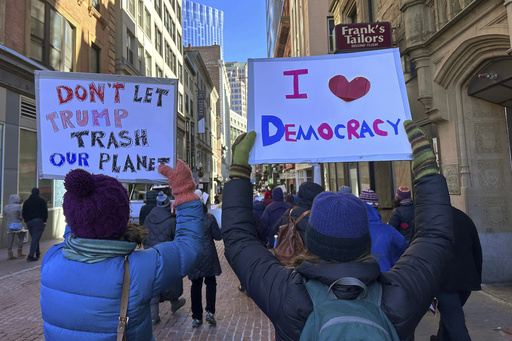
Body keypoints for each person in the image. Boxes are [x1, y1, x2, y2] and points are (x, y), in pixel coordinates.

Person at [221, 121, 454, 341]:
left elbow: (238, 240)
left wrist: (239, 173)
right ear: (365, 242)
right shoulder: (398, 296)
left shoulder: (289, 296)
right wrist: (427, 169)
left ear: (311, 241)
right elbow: (434, 238)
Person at [40, 160, 204, 340]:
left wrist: (80, 209)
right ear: (123, 216)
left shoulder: (52, 259)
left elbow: (76, 228)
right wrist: (185, 191)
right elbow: (190, 247)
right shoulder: (141, 269)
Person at [430, 207, 483, 341]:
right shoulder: (464, 218)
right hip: (466, 281)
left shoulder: (427, 219)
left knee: (455, 323)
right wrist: (476, 277)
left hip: (444, 281)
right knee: (451, 316)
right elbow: (477, 250)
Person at [143, 191, 186, 326]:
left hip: (149, 253)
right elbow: (177, 238)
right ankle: (174, 302)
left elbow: (143, 233)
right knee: (171, 279)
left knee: (153, 282)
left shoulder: (148, 217)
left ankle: (154, 316)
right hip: (166, 254)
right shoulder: (172, 221)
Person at [188, 203, 222, 328]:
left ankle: (196, 317)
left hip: (195, 254)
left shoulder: (190, 220)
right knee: (211, 283)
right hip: (209, 255)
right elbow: (218, 236)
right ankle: (210, 311)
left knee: (195, 286)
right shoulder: (210, 218)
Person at [359, 189, 409, 272]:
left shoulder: (350, 232)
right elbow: (402, 255)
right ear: (377, 207)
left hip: (358, 281)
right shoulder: (390, 232)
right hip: (385, 278)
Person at [22, 188, 48, 262]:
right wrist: (44, 221)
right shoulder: (42, 201)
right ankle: (31, 255)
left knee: (35, 237)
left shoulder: (27, 202)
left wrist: (26, 220)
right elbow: (45, 212)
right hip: (39, 221)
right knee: (35, 238)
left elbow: (24, 212)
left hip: (29, 222)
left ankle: (37, 252)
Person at [5, 194, 27, 260]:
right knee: (21, 237)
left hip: (9, 225)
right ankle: (19, 252)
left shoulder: (6, 206)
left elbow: (6, 216)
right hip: (17, 224)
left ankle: (10, 254)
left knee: (10, 240)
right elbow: (20, 216)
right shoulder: (18, 206)